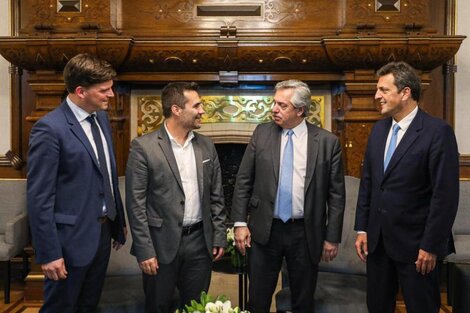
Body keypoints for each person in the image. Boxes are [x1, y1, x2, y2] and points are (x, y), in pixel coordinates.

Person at [231, 79, 346, 313]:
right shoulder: (261, 133)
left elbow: (336, 195)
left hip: (305, 233)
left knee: (303, 301)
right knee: (258, 300)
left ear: (300, 110)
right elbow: (244, 180)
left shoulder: (327, 142)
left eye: (282, 105)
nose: (274, 109)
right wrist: (240, 223)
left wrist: (331, 237)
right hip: (265, 231)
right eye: (274, 103)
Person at [354, 61, 459, 313]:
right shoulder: (379, 130)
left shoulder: (437, 132)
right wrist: (362, 228)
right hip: (378, 244)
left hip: (417, 248)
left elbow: (444, 197)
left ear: (405, 92)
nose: (376, 96)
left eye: (383, 90)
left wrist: (431, 246)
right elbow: (369, 183)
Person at [27, 53, 127, 312]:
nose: (112, 95)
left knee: (88, 306)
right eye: (104, 90)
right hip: (69, 242)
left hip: (102, 234)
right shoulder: (49, 129)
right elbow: (39, 198)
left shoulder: (101, 118)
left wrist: (117, 221)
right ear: (81, 91)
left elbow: (106, 172)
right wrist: (49, 253)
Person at [125, 82, 227, 313]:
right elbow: (136, 204)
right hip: (160, 245)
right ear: (176, 109)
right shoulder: (143, 147)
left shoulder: (207, 146)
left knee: (196, 307)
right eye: (197, 105)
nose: (202, 111)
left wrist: (219, 236)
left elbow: (217, 196)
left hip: (200, 244)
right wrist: (145, 249)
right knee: (158, 306)